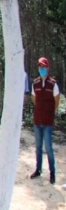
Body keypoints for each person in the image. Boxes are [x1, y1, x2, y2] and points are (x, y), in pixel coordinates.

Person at [30, 57, 60, 185]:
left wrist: (49, 112)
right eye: (40, 67)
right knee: (38, 147)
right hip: (37, 120)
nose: (41, 69)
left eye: (43, 67)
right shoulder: (35, 83)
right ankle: (38, 169)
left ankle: (52, 172)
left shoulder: (53, 84)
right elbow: (34, 99)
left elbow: (56, 101)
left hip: (47, 122)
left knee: (48, 148)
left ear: (47, 68)